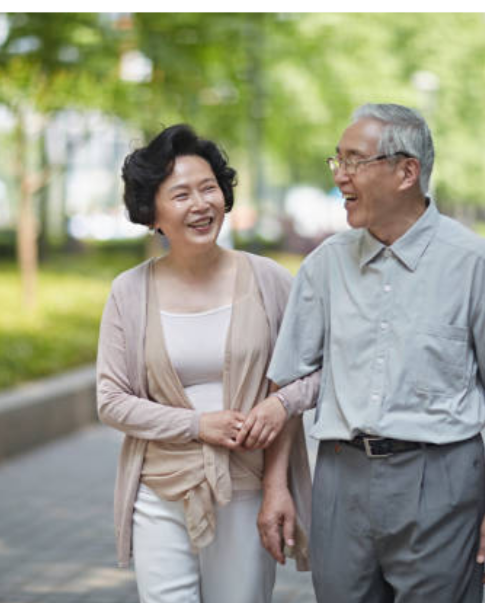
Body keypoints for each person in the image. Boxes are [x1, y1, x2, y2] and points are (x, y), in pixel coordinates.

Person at [258, 103, 485, 603]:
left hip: (442, 480)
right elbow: (288, 378)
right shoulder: (323, 267)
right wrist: (275, 487)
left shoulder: (478, 266)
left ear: (406, 172)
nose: (340, 175)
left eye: (355, 161)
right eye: (337, 160)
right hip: (340, 477)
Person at [95, 124, 315, 603]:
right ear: (152, 212)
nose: (200, 204)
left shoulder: (269, 280)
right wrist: (198, 425)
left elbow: (311, 372)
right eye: (181, 195)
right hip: (160, 490)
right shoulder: (129, 292)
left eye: (208, 188)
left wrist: (279, 411)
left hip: (246, 489)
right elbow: (111, 401)